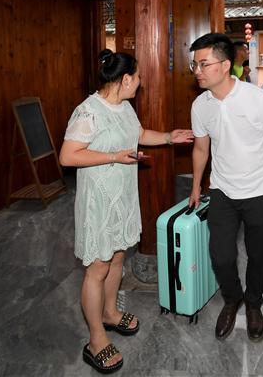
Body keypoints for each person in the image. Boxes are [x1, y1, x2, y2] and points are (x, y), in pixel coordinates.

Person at [59, 49, 194, 374]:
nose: (141, 82)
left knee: (118, 258)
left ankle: (110, 312)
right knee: (98, 268)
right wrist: (112, 157)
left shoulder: (124, 107)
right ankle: (96, 339)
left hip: (122, 198)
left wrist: (168, 137)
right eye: (138, 77)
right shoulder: (88, 111)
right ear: (125, 79)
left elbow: (138, 135)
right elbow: (68, 156)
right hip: (99, 201)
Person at [187, 33, 263, 343]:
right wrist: (195, 186)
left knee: (257, 253)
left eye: (203, 64)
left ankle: (253, 303)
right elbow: (201, 149)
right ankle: (232, 298)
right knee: (221, 256)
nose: (197, 71)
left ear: (224, 65)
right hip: (222, 190)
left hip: (260, 190)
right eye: (194, 65)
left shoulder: (257, 98)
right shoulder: (200, 105)